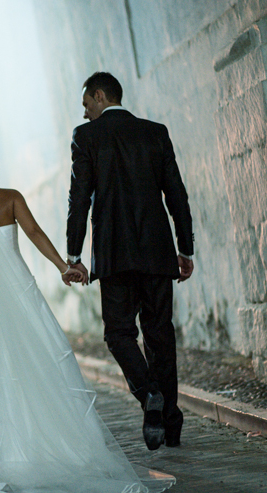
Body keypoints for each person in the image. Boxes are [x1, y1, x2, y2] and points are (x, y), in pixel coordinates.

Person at [0, 140, 175, 493]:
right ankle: (57, 446)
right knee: (38, 366)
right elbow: (36, 234)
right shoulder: (10, 197)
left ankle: (4, 456)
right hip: (19, 295)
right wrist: (65, 266)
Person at [65, 72, 194, 451]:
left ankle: (149, 393)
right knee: (159, 334)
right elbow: (177, 195)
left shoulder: (85, 137)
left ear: (100, 96)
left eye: (87, 104)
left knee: (119, 334)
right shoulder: (156, 132)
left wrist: (74, 254)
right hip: (157, 251)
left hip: (114, 254)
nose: (85, 113)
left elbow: (79, 199)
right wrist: (185, 248)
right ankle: (170, 424)